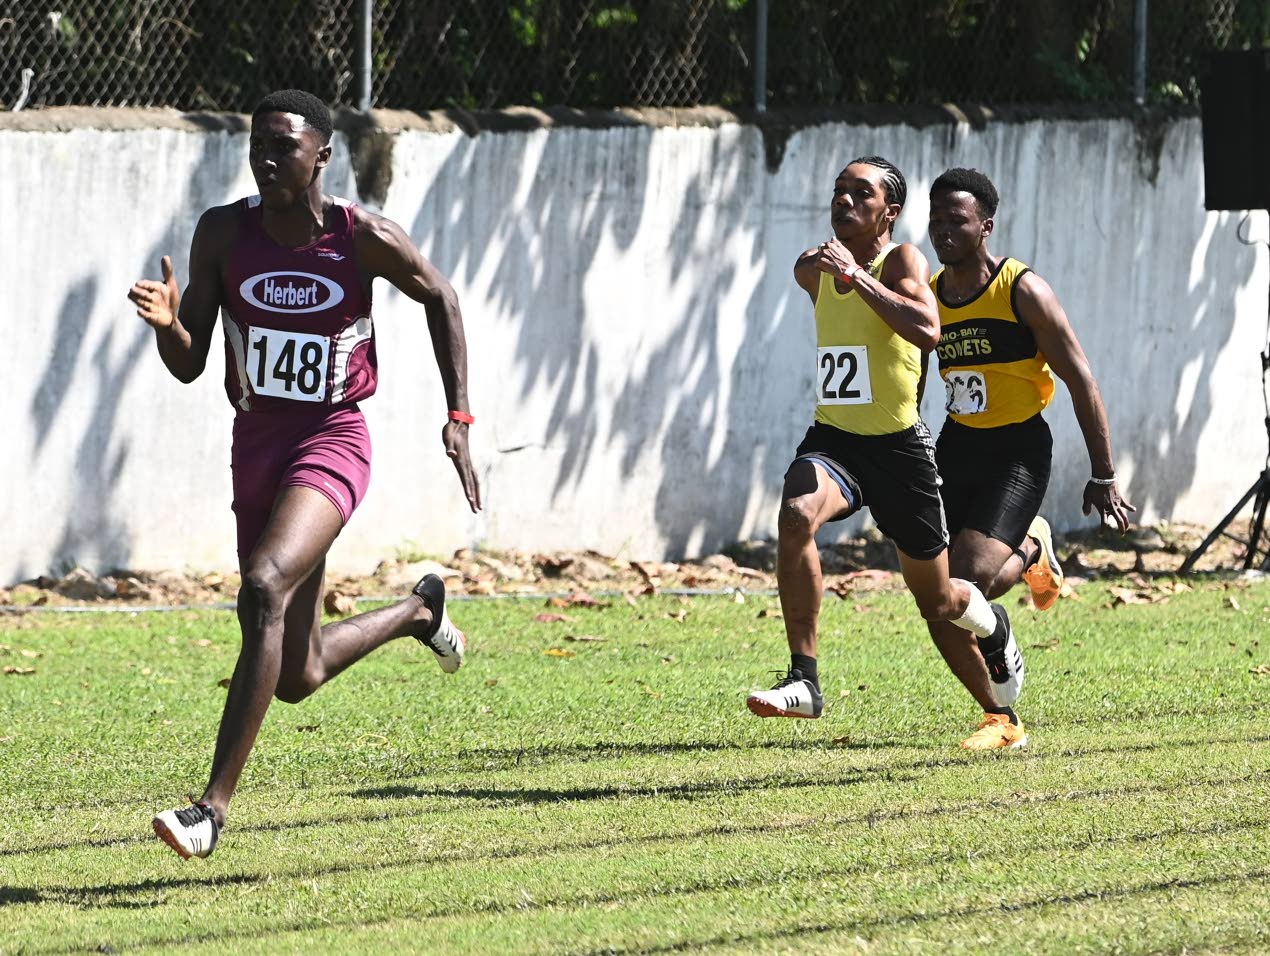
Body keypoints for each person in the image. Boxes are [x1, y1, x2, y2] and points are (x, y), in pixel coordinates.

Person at [127, 89, 482, 860]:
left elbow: (440, 296)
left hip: (332, 439)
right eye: (258, 143)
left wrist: (458, 418)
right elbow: (191, 365)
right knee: (298, 670)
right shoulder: (223, 233)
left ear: (322, 155)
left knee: (262, 585)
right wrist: (170, 327)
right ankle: (419, 613)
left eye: (283, 145)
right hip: (255, 446)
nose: (265, 156)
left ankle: (210, 810)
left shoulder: (362, 238)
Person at [746, 156, 1020, 749]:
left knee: (939, 602)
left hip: (898, 449)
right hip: (835, 440)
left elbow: (927, 330)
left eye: (860, 194)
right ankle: (805, 680)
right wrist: (830, 271)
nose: (844, 201)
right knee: (795, 515)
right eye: (838, 190)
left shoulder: (902, 260)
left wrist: (857, 277)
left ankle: (997, 675)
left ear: (888, 213)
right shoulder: (817, 267)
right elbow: (803, 272)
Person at [925, 167, 1134, 748]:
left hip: (1016, 449)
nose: (943, 232)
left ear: (985, 226)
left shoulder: (1022, 291)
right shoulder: (933, 296)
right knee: (932, 592)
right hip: (956, 444)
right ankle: (999, 716)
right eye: (935, 221)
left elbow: (1080, 377)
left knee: (973, 581)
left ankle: (1035, 547)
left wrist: (1104, 474)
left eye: (956, 221)